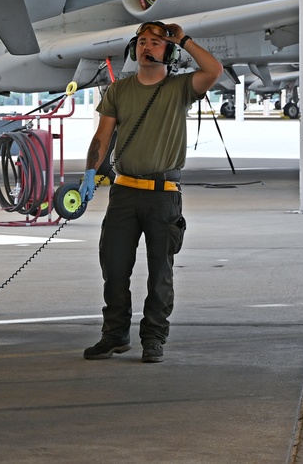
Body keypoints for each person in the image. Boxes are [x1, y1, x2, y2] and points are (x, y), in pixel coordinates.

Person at [79, 20, 222, 363]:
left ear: (168, 51)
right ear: (133, 49)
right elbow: (102, 137)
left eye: (156, 43)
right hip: (124, 193)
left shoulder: (181, 87)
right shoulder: (118, 90)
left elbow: (213, 70)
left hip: (163, 195)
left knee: (161, 273)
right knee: (114, 268)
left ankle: (154, 337)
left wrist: (183, 38)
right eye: (142, 41)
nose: (147, 47)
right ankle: (114, 335)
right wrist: (88, 173)